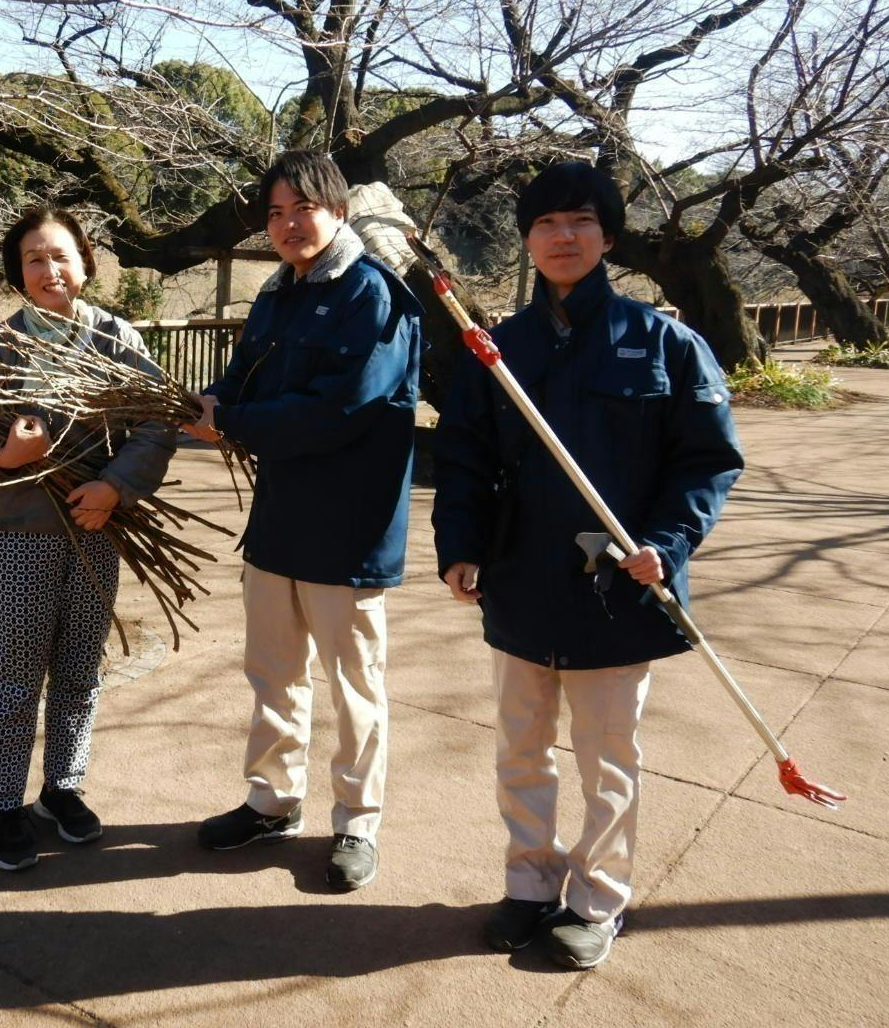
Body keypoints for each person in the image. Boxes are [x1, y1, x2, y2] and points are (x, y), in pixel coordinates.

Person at [431, 161, 744, 968]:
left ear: (607, 236)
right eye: (544, 224)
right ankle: (529, 883)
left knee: (609, 759)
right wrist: (459, 545)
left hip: (620, 588)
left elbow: (706, 462)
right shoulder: (499, 348)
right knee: (521, 749)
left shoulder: (665, 342)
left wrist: (668, 545)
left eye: (579, 222)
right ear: (528, 241)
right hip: (520, 581)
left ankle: (597, 897)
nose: (562, 238)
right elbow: (462, 453)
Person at [183, 150, 422, 892]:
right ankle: (272, 801)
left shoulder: (375, 295)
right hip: (281, 519)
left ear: (338, 211)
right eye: (277, 213)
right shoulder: (277, 293)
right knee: (274, 674)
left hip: (349, 526)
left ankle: (357, 821)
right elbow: (244, 374)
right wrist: (201, 404)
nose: (288, 224)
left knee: (356, 684)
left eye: (303, 209)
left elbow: (340, 409)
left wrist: (233, 422)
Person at [0, 207, 175, 872]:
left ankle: (62, 788)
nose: (50, 270)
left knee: (80, 672)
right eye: (34, 259)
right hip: (17, 536)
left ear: (85, 263)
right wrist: (7, 462)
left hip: (94, 531)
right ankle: (0, 805)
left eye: (60, 255)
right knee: (16, 678)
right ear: (18, 275)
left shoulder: (117, 337)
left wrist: (115, 488)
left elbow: (157, 424)